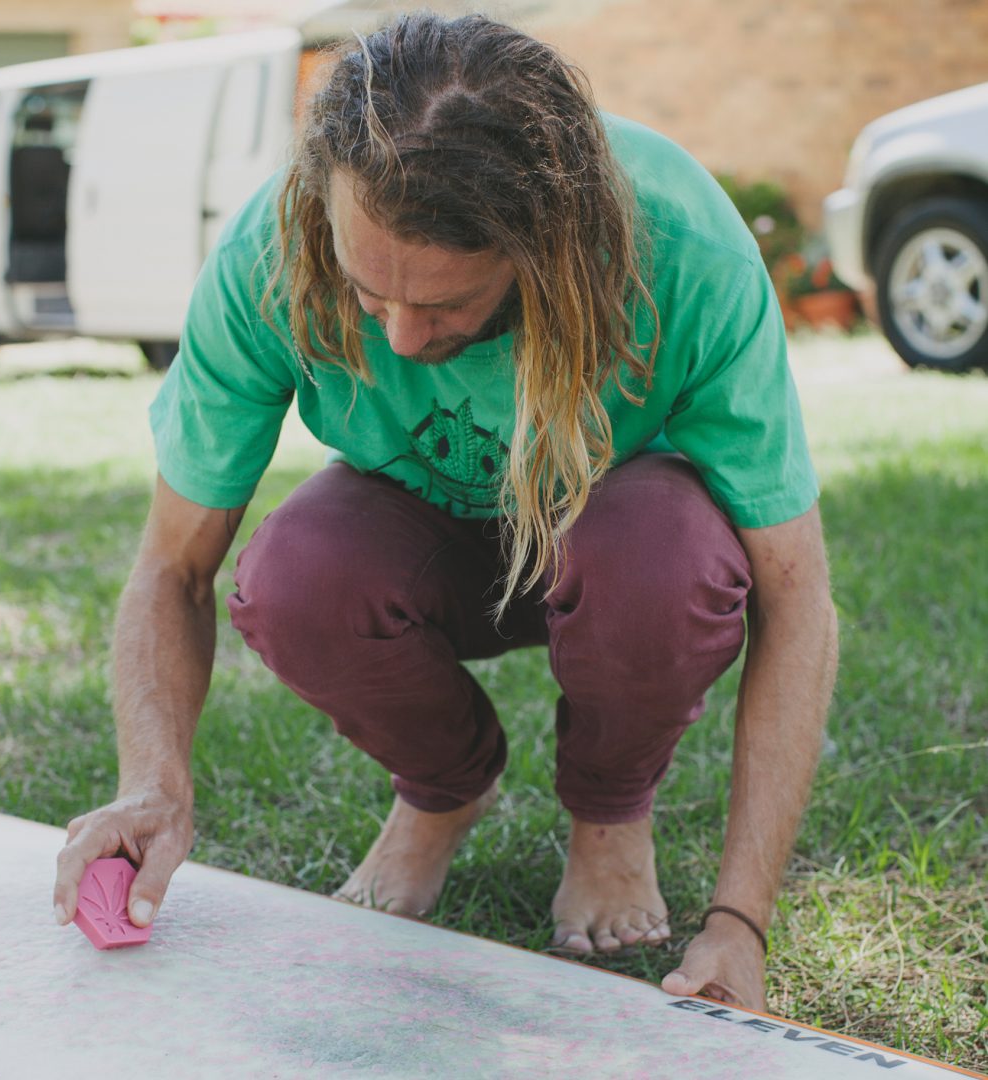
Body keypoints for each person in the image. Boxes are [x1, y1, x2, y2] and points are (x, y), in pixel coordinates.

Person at [54, 12, 838, 1010]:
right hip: (425, 540)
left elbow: (796, 589)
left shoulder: (681, 252)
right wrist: (152, 784)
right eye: (366, 289)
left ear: (542, 252)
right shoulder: (268, 255)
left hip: (612, 542)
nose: (401, 334)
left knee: (661, 559)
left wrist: (739, 920)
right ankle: (441, 790)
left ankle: (608, 813)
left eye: (449, 304)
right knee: (292, 573)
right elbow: (172, 570)